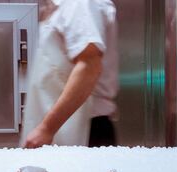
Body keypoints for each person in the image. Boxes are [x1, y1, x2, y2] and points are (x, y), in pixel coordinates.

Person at [20, 0, 118, 148]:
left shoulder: (79, 4)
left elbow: (89, 66)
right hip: (65, 129)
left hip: (85, 130)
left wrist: (46, 129)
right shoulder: (61, 6)